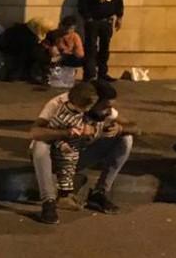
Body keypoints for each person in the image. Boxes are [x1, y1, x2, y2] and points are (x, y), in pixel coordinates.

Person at [30, 80, 136, 225]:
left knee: (126, 139)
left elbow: (136, 127)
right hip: (56, 156)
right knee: (40, 145)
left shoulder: (104, 110)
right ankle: (49, 201)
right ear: (91, 102)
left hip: (77, 155)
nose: (108, 111)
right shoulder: (60, 104)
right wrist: (66, 133)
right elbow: (35, 132)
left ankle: (99, 193)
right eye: (105, 107)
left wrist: (121, 129)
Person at [78, 0, 124, 82]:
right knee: (91, 48)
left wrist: (119, 16)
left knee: (105, 48)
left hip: (107, 20)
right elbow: (82, 2)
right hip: (93, 20)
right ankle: (90, 74)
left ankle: (103, 73)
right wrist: (88, 18)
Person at [35, 15, 85, 84]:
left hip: (68, 57)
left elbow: (80, 54)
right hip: (54, 55)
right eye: (66, 28)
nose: (68, 31)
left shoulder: (75, 36)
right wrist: (50, 48)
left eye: (71, 29)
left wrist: (65, 52)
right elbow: (45, 44)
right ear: (61, 26)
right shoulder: (54, 33)